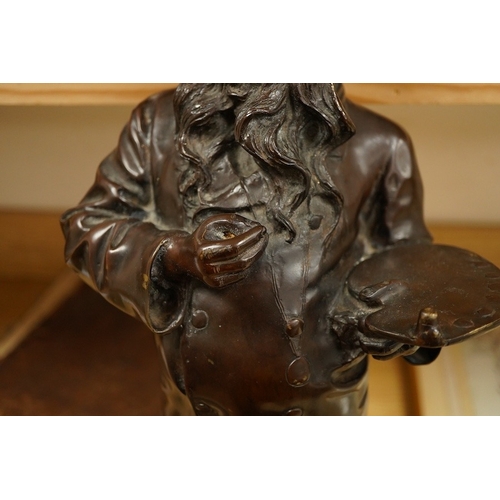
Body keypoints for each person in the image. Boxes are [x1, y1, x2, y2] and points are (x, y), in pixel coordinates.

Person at [61, 84, 434, 415]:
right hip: (194, 404)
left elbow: (413, 272)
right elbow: (86, 229)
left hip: (323, 405)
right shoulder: (157, 126)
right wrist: (172, 255)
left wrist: (397, 324)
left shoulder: (380, 144)